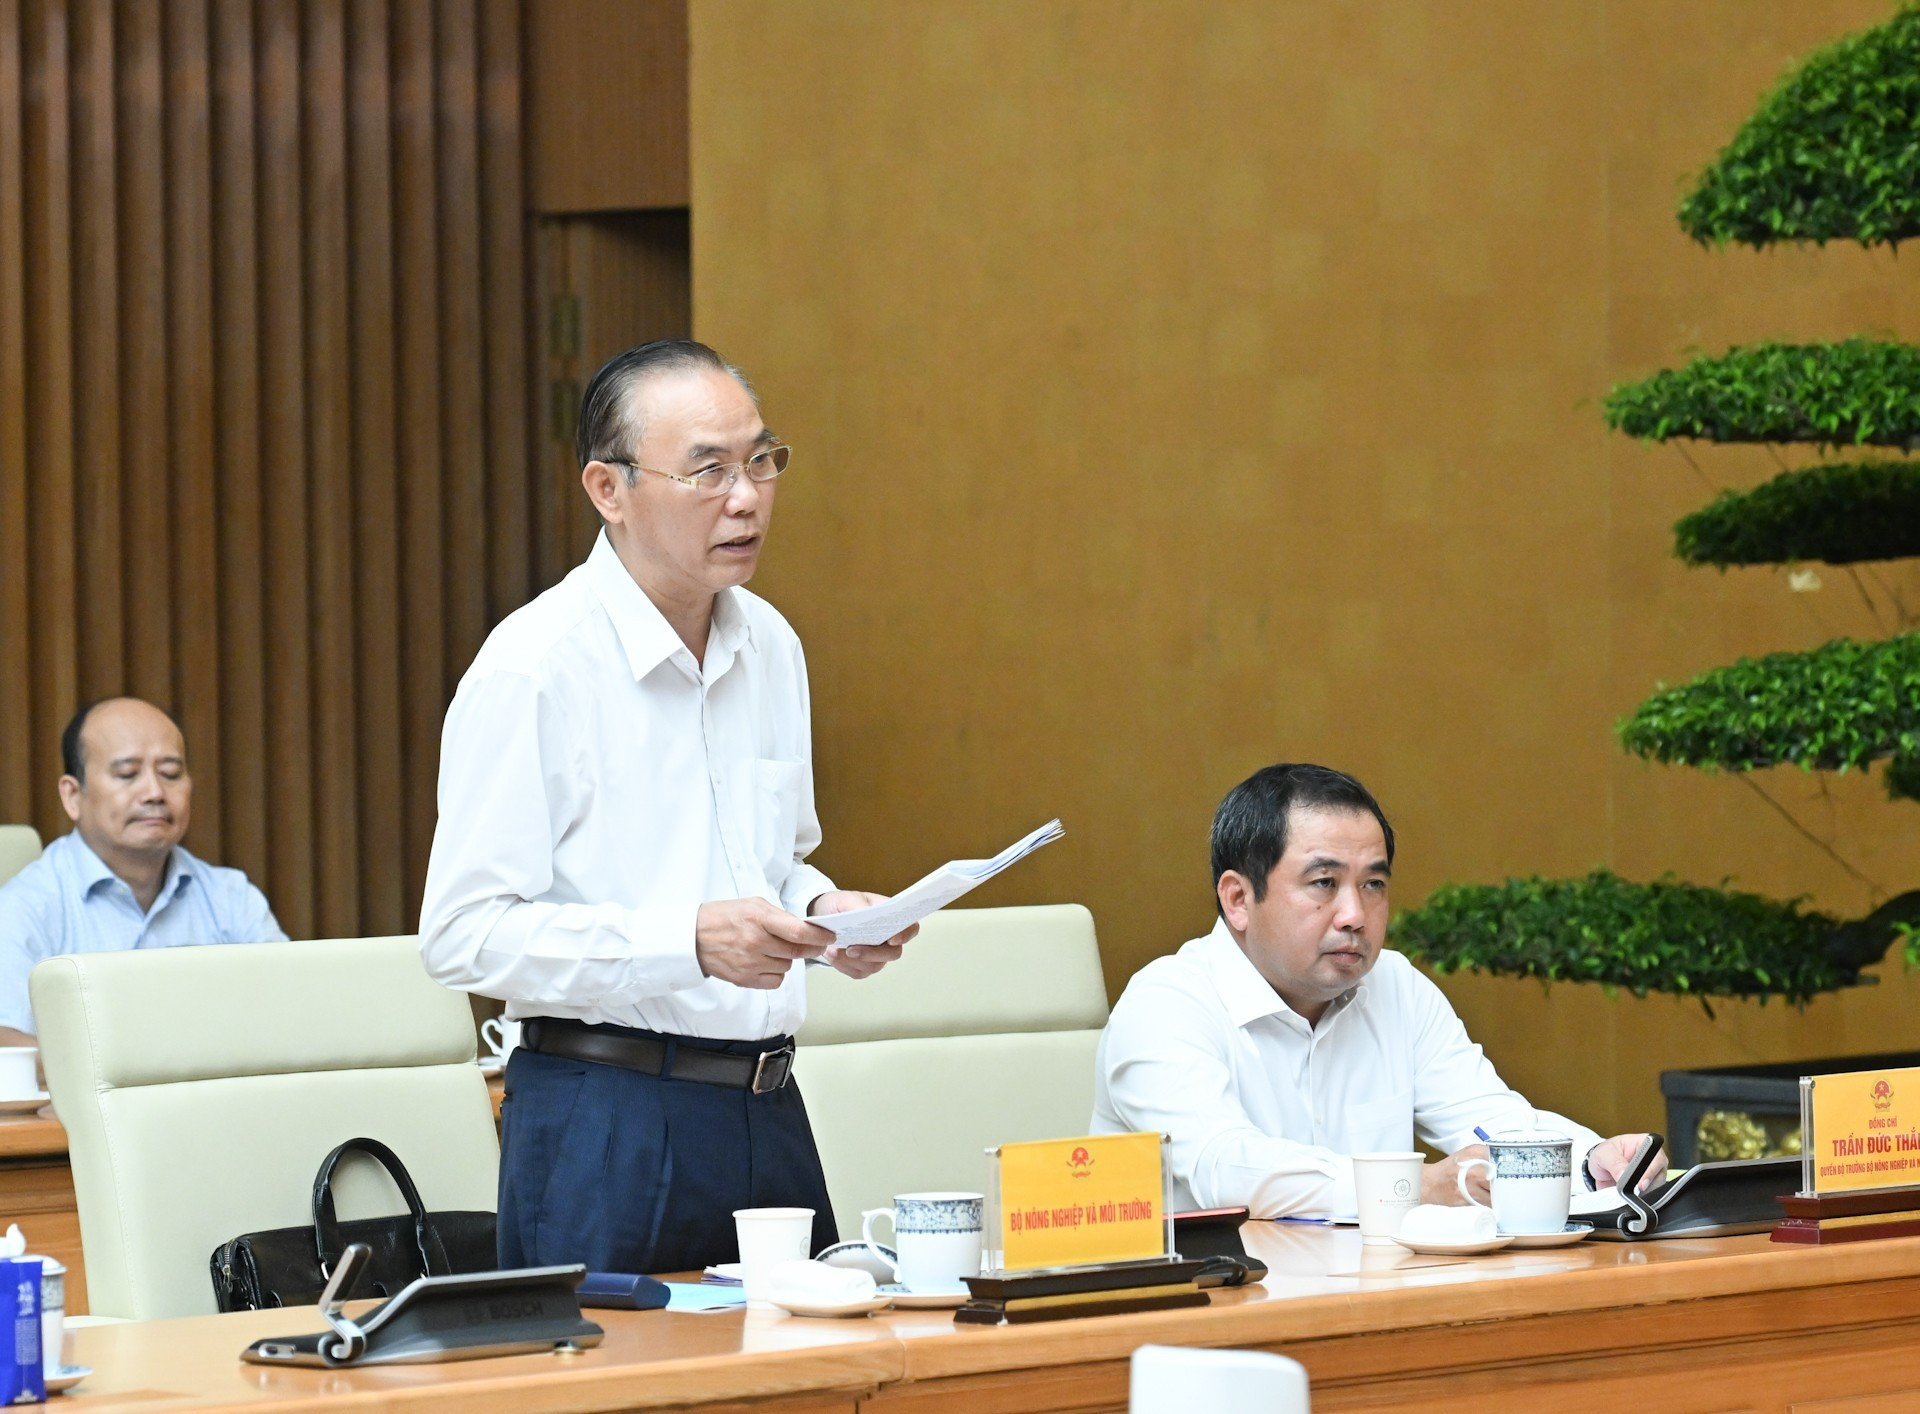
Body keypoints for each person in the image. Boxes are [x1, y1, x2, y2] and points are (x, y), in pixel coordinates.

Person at [419, 339, 918, 1274]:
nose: (746, 498)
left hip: (766, 1103)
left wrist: (821, 911)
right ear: (607, 489)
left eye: (761, 462)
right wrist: (684, 941)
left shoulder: (771, 644)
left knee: (814, 1381)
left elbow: (773, 861)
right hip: (601, 1114)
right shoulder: (535, 668)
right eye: (708, 471)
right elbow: (461, 935)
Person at [1091, 763, 1661, 1216]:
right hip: (1209, 1319)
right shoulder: (1166, 1004)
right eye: (1324, 883)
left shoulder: (1395, 986)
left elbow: (1489, 1120)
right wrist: (1416, 1186)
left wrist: (1591, 1162)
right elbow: (1224, 1169)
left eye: (1374, 884)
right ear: (1238, 899)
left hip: (1369, 1300)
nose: (1355, 915)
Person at [0, 697, 287, 1044]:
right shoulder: (24, 909)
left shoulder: (232, 899)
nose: (154, 792)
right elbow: (10, 1047)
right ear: (73, 796)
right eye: (127, 774)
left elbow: (293, 1014)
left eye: (170, 773)